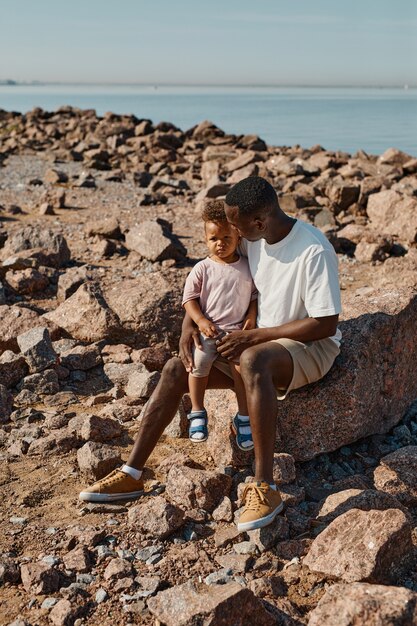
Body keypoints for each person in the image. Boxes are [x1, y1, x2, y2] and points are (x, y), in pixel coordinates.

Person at [79, 176, 341, 533]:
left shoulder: (313, 249)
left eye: (236, 224)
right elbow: (214, 278)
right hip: (256, 340)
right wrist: (189, 324)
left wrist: (256, 336)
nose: (230, 231)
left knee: (253, 359)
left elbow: (325, 324)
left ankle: (266, 487)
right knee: (175, 368)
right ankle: (132, 473)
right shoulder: (255, 239)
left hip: (308, 346)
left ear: (259, 222)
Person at [182, 200, 257, 447]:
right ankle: (197, 411)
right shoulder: (202, 268)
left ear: (237, 236)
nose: (220, 243)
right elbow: (189, 300)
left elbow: (254, 297)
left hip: (236, 332)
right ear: (205, 240)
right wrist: (201, 321)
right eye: (214, 238)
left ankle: (243, 417)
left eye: (226, 237)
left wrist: (250, 317)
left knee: (241, 370)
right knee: (199, 364)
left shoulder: (247, 267)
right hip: (209, 330)